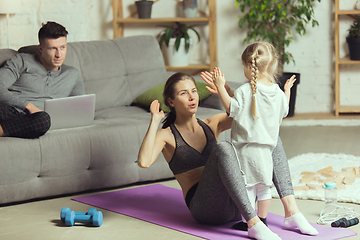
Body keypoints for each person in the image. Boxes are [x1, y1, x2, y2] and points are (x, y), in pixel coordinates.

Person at [137, 72, 317, 240]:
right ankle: (254, 223)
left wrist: (227, 92)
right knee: (223, 148)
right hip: (206, 209)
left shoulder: (211, 123)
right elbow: (144, 162)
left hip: (238, 203)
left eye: (193, 91)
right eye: (184, 93)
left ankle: (292, 212)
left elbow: (253, 115)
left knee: (269, 138)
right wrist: (154, 121)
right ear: (171, 102)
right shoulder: (166, 135)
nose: (192, 97)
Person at [206, 41, 296, 231]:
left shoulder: (244, 90)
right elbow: (285, 110)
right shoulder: (277, 93)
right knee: (264, 186)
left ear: (249, 66)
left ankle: (250, 221)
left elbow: (232, 109)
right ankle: (262, 220)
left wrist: (221, 87)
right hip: (267, 150)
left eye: (243, 67)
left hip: (245, 150)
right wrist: (287, 91)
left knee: (247, 186)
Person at [0, 21, 85, 139]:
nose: (59, 54)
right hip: (8, 111)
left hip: (35, 120)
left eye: (62, 47)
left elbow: (81, 111)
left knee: (44, 120)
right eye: (52, 49)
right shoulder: (22, 60)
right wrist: (28, 106)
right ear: (41, 48)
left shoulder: (72, 74)